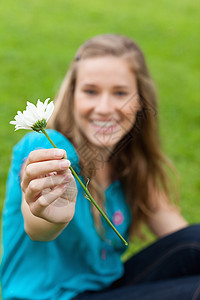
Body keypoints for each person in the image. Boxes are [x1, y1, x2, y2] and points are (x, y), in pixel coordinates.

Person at [1, 34, 200, 300]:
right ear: (72, 96)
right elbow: (36, 225)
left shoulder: (128, 161)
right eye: (91, 91)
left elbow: (183, 241)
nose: (104, 108)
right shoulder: (48, 148)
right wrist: (49, 215)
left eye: (120, 93)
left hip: (109, 289)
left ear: (139, 100)